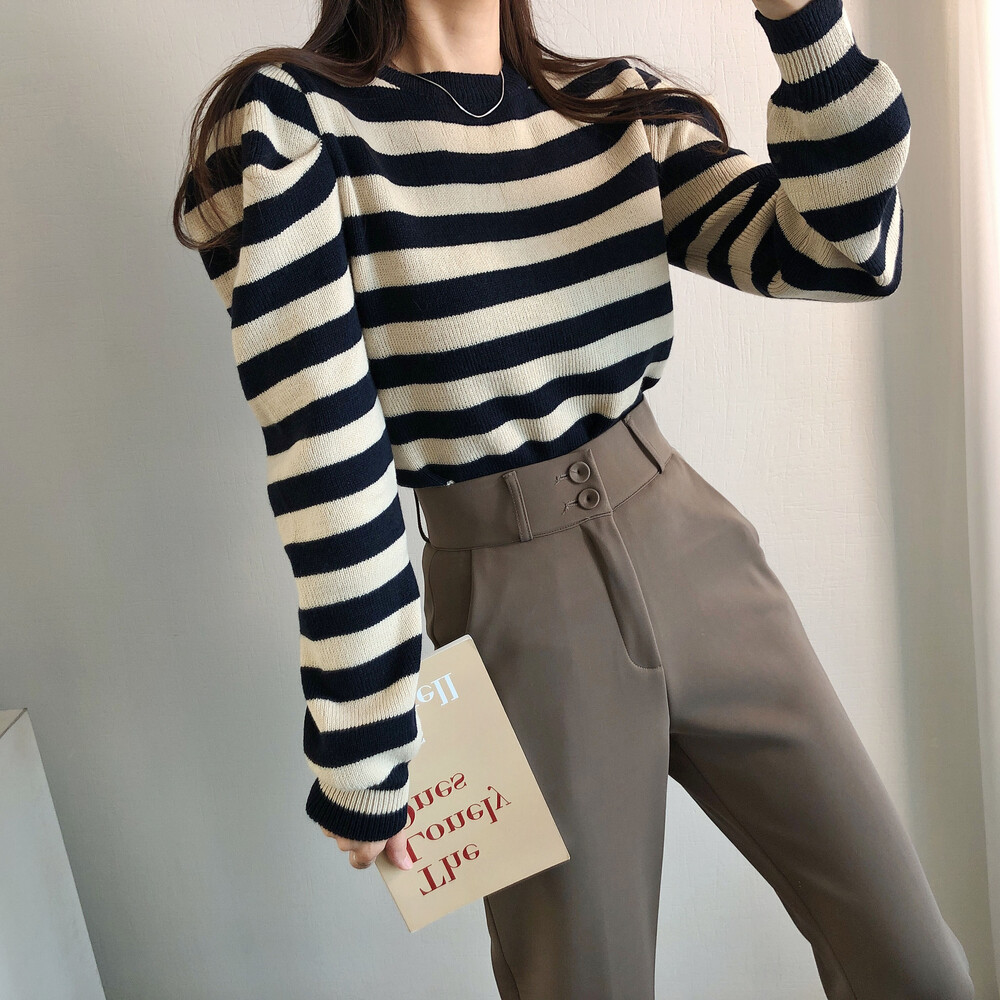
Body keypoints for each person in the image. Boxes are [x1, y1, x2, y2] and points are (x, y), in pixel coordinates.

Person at [172, 0, 977, 995]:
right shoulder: (293, 124)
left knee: (914, 961)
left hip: (698, 552)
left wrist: (799, 17)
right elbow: (326, 451)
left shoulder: (615, 107)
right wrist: (368, 734)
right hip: (514, 609)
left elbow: (846, 251)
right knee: (580, 980)